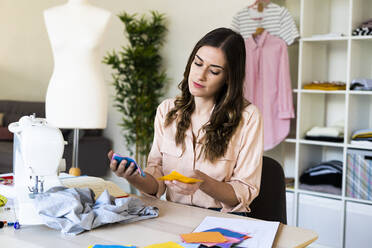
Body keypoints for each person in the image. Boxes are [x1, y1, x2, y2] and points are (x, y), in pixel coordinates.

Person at [108, 27, 263, 214]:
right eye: (198, 64)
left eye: (214, 71)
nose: (200, 75)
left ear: (229, 78)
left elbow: (244, 191)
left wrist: (204, 184)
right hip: (174, 215)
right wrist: (133, 177)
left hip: (222, 221)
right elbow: (156, 179)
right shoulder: (167, 110)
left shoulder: (248, 117)